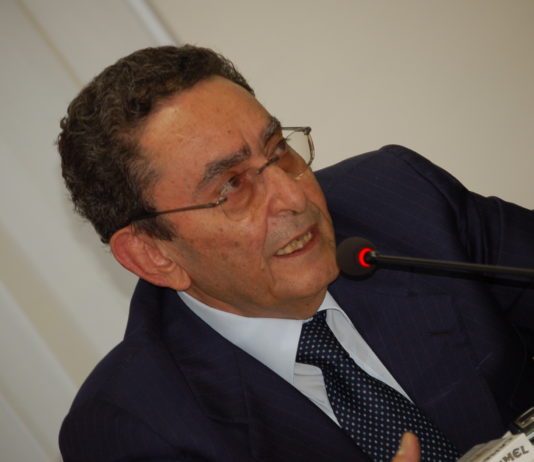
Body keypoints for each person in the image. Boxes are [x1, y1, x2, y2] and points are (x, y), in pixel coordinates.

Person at [57, 45, 534, 462]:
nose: (294, 195)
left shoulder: (402, 201)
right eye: (232, 185)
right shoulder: (132, 430)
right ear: (152, 255)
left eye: (278, 149)